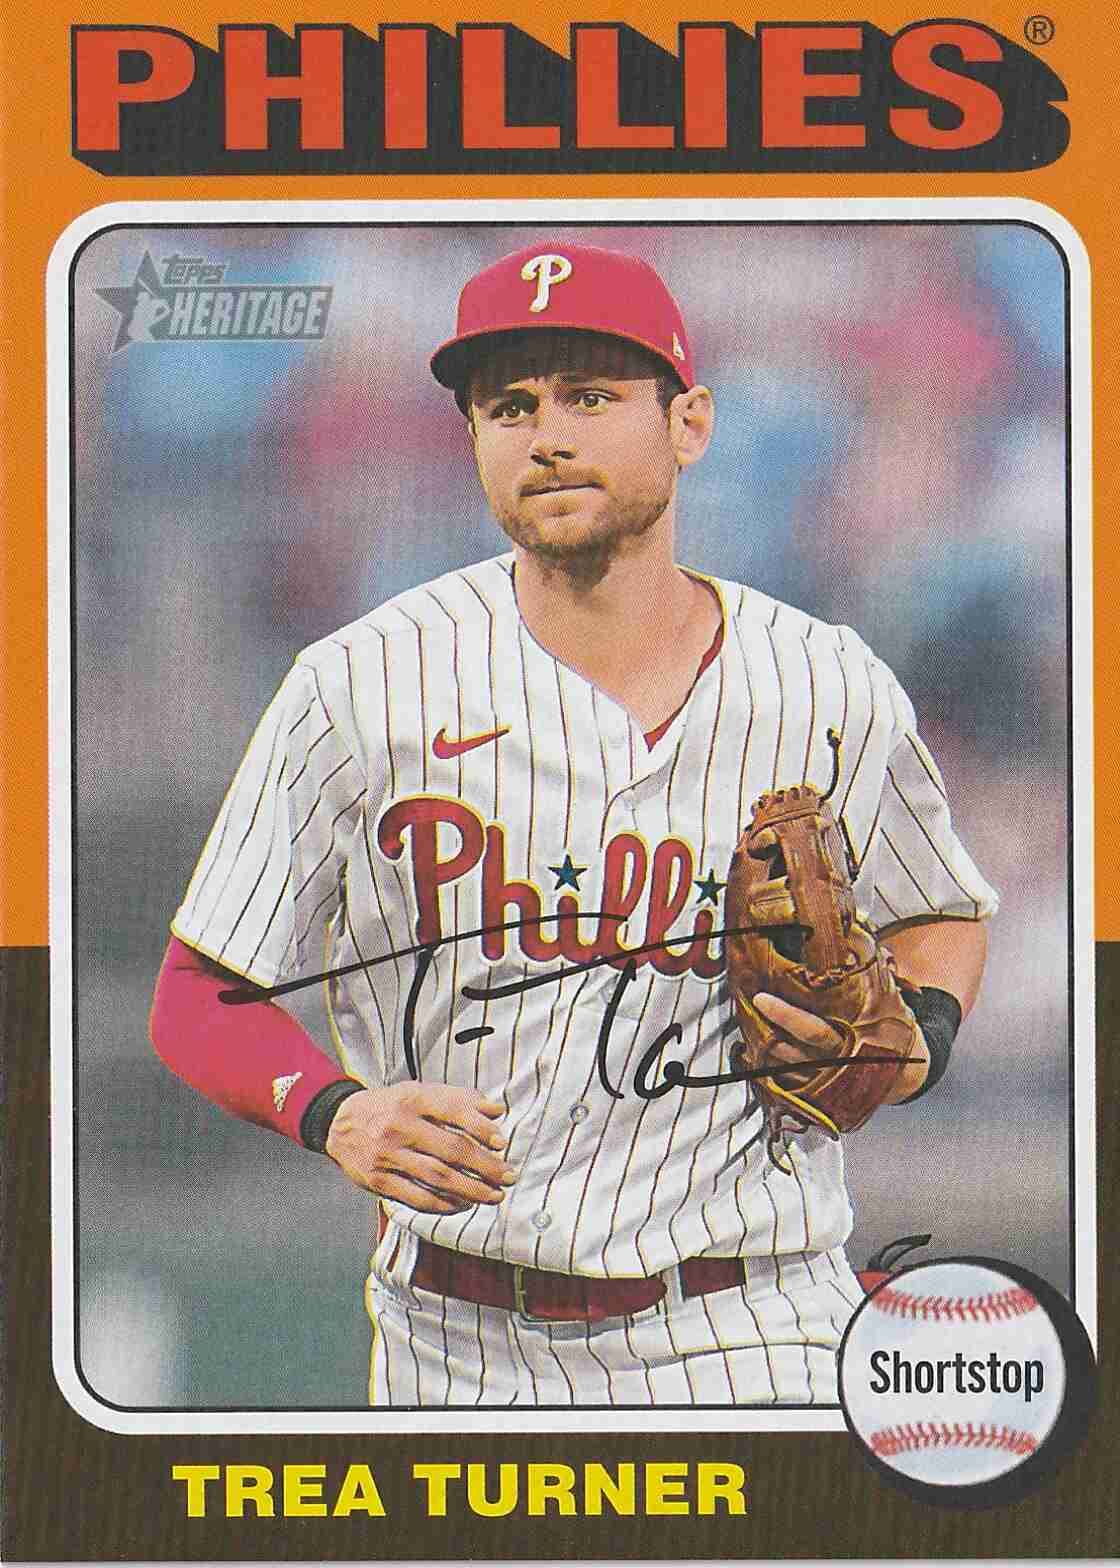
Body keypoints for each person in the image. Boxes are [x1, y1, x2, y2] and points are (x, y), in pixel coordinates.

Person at [150, 240, 996, 1407]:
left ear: (689, 424)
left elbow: (938, 908)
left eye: (590, 395)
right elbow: (199, 995)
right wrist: (332, 1110)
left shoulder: (824, 682)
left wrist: (923, 1037)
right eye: (510, 405)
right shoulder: (359, 682)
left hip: (755, 1314)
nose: (546, 434)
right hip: (453, 1338)